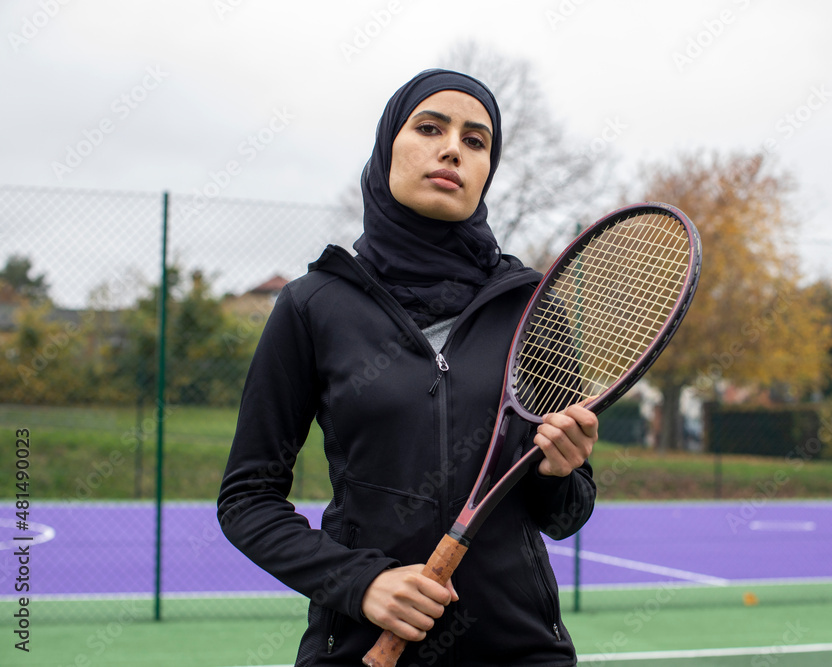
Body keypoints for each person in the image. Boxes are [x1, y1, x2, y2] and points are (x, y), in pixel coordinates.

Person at [218, 68, 598, 667]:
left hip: (520, 651)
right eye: (429, 127)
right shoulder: (312, 305)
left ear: (486, 174)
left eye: (476, 141)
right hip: (357, 649)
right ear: (387, 146)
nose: (452, 147)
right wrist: (360, 583)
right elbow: (247, 500)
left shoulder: (532, 309)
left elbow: (568, 513)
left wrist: (558, 470)